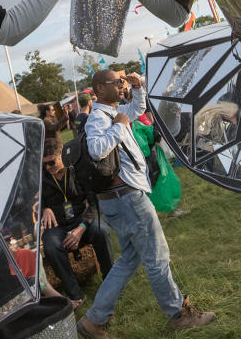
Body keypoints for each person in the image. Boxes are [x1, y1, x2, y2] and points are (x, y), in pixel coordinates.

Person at [77, 70, 214, 338]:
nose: (121, 85)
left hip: (120, 200)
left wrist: (138, 88)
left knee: (130, 258)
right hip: (127, 199)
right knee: (157, 257)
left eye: (121, 81)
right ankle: (178, 314)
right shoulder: (97, 118)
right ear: (98, 90)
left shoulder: (111, 112)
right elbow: (95, 149)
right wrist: (119, 125)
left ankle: (94, 320)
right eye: (115, 83)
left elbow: (137, 107)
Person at [40, 137, 112, 309]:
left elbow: (94, 203)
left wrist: (81, 228)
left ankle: (111, 282)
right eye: (45, 164)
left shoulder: (77, 169)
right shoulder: (41, 175)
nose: (48, 168)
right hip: (57, 225)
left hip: (81, 220)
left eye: (51, 163)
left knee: (101, 231)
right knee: (50, 245)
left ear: (61, 155)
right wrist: (44, 208)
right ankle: (74, 295)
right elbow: (31, 198)